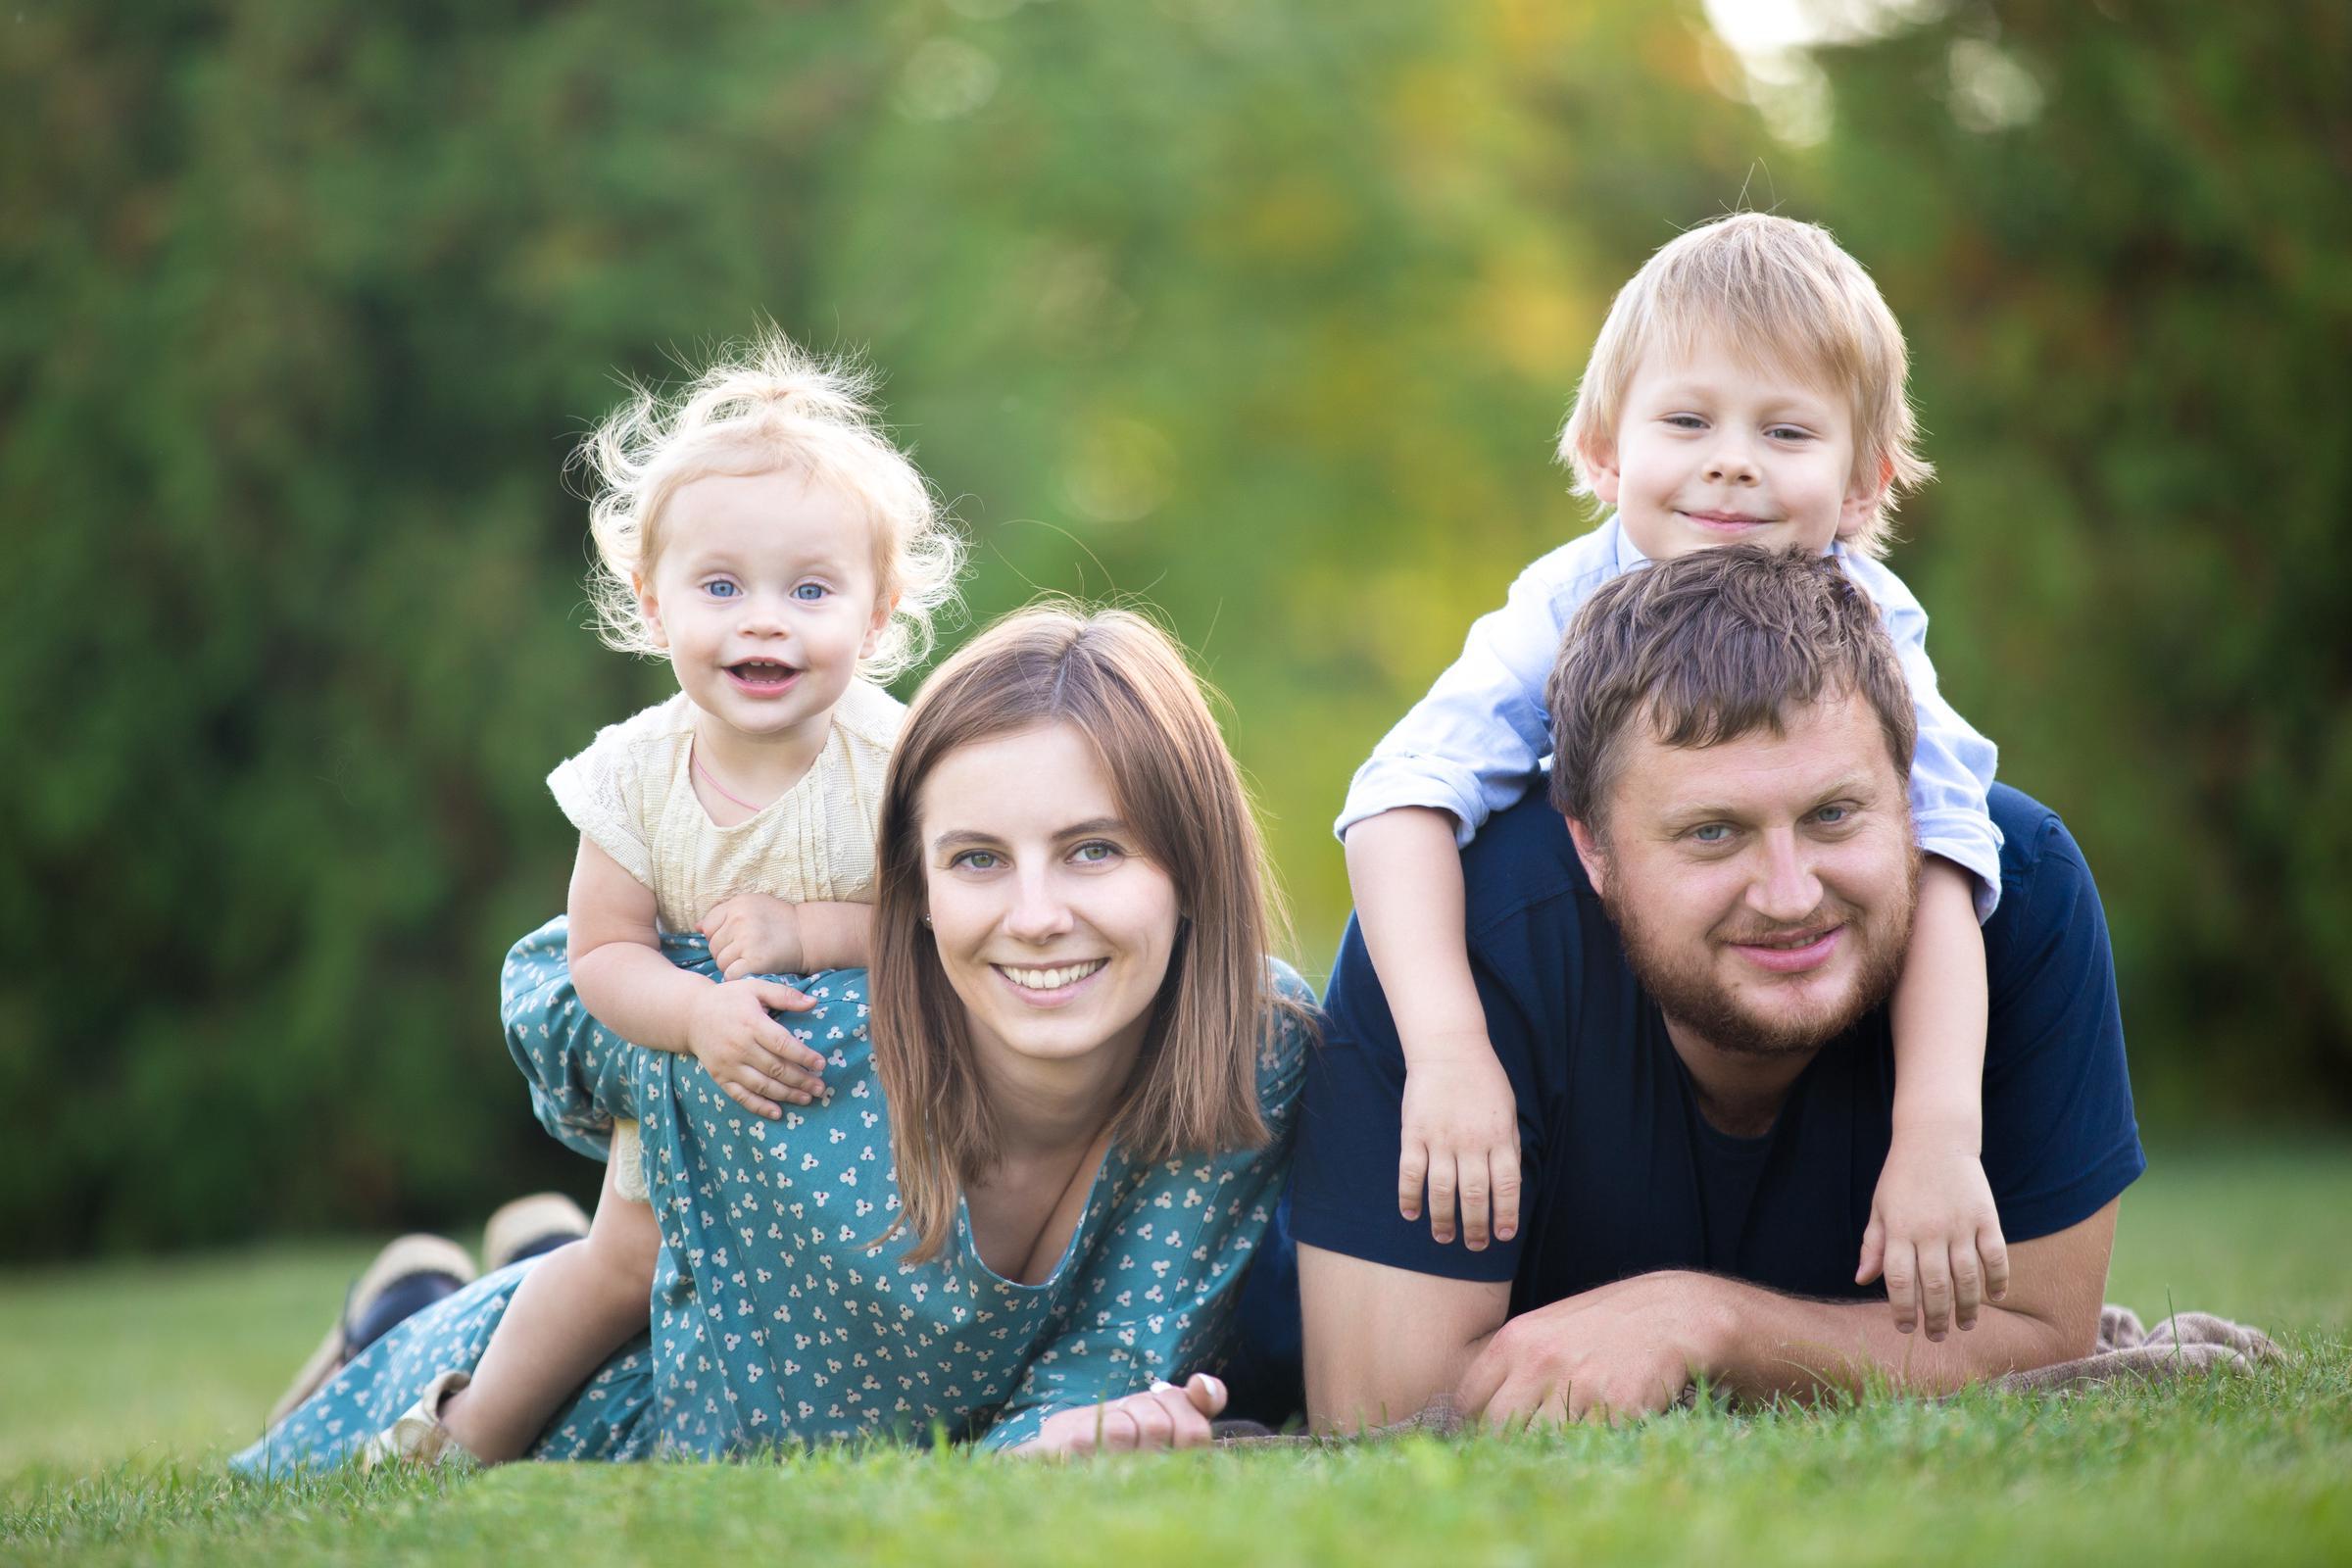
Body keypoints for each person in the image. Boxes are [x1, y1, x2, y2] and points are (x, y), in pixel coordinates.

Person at [236, 605, 1315, 1472]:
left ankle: (438, 1285)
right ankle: (405, 1314)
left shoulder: (1250, 1049)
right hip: (583, 1418)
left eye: (1093, 851)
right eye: (978, 859)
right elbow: (546, 980)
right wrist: (679, 1044)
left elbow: (1124, 1340)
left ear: (1193, 868)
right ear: (917, 887)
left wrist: (1061, 1436)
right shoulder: (815, 1028)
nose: (1035, 914)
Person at [1338, 213, 2008, 1343]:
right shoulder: (1562, 603)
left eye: (1787, 430)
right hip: (1587, 977)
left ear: (1862, 485)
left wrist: (1937, 1128)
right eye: (1688, 420)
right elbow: (1397, 796)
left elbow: (1941, 851)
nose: (1731, 459)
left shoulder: (1875, 627)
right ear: (1604, 451)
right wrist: (1450, 1051)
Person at [1293, 546, 2143, 1429]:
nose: (1790, 895)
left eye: (1833, 815)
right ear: (1591, 848)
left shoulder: (2021, 892)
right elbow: (1379, 1406)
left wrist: (1709, 1326)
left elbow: (2043, 1340)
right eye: (1711, 833)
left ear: (1915, 796)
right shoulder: (1452, 936)